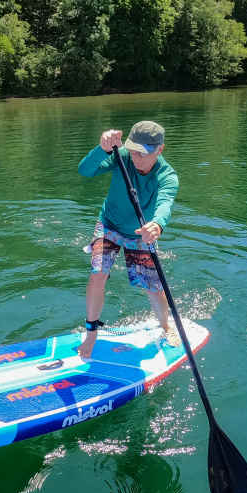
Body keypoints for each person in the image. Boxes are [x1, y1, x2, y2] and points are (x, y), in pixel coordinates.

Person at [77, 120, 180, 359]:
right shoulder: (121, 156)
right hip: (110, 225)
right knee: (98, 274)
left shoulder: (167, 176)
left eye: (143, 154)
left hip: (141, 231)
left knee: (152, 287)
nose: (135, 158)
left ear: (159, 150)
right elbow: (85, 170)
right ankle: (91, 333)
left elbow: (165, 204)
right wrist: (101, 149)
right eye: (133, 150)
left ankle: (166, 326)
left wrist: (157, 225)